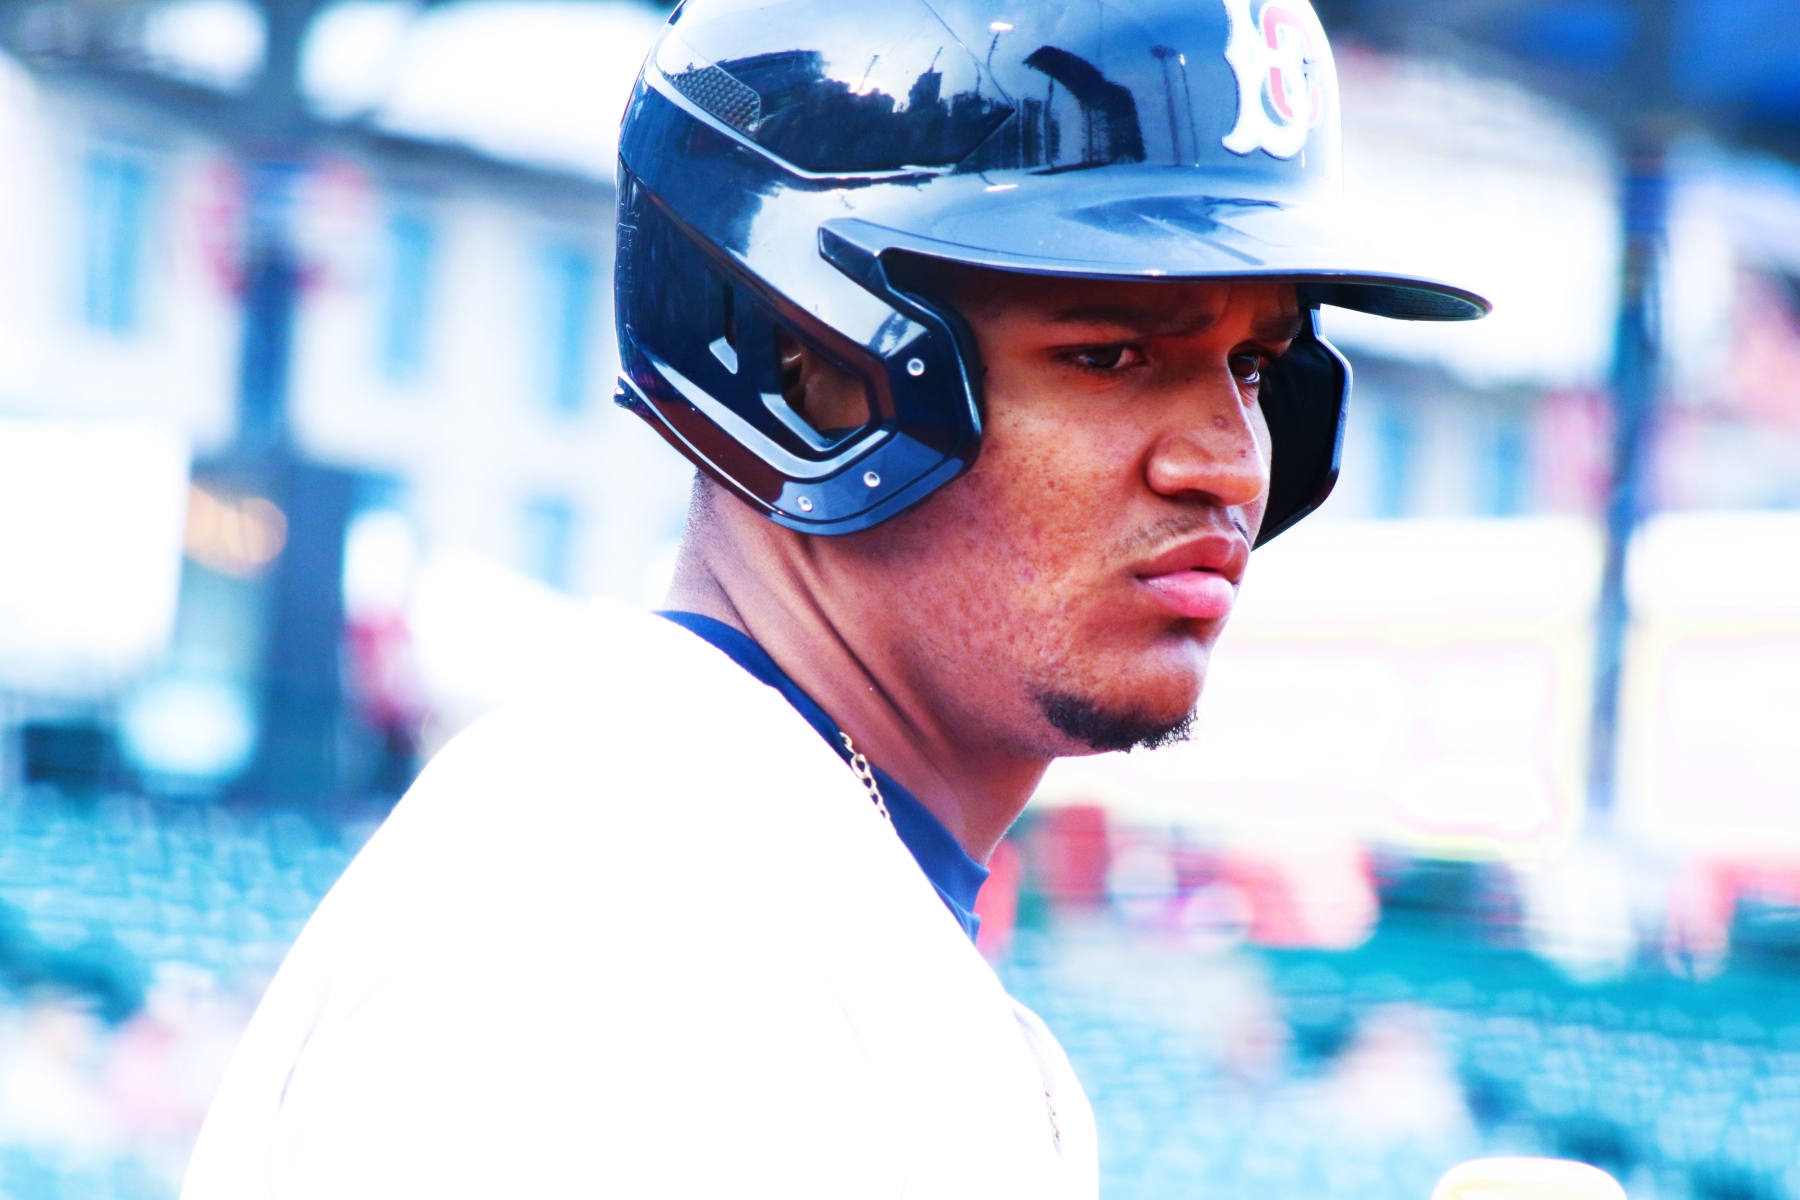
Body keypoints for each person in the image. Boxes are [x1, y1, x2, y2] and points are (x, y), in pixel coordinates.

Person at [183, 1, 1486, 1196]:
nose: (1228, 462)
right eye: (1110, 354)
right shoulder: (611, 927)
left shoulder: (769, 869)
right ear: (804, 366)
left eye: (1253, 366)